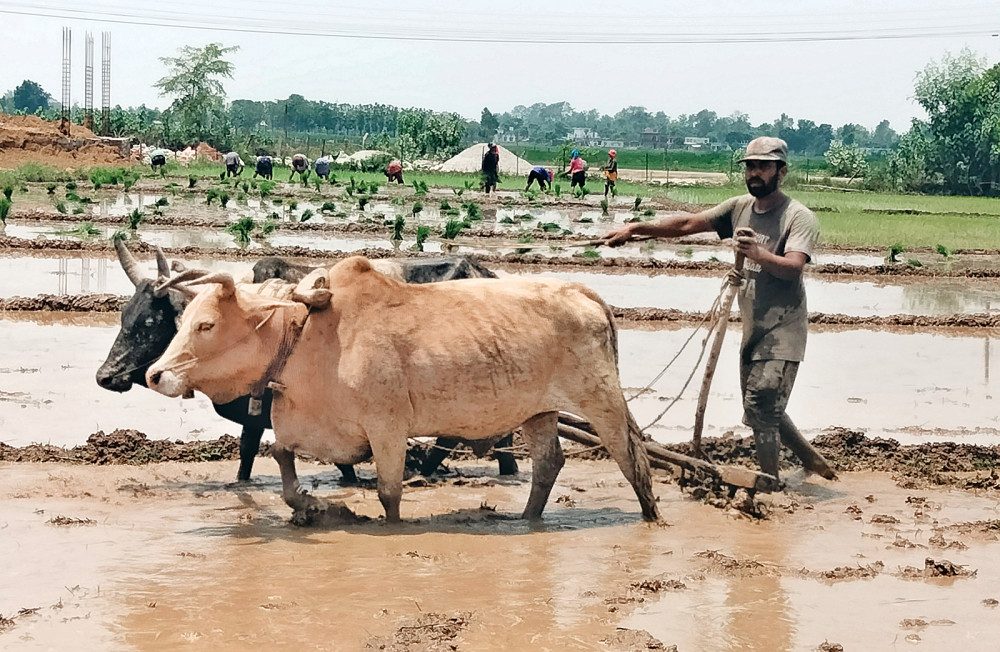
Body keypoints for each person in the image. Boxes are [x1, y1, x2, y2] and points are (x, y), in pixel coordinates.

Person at [600, 136, 836, 483]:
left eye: (763, 167)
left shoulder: (797, 218)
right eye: (750, 166)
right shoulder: (738, 208)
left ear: (780, 172)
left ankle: (768, 484)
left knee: (761, 405)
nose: (754, 173)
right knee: (765, 407)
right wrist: (635, 228)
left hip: (783, 328)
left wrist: (758, 254)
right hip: (753, 328)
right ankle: (812, 460)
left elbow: (793, 267)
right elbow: (686, 225)